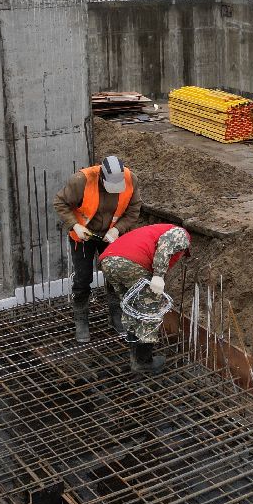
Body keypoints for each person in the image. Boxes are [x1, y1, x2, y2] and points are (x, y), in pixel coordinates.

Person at [53, 155, 141, 343]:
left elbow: (134, 210)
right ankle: (81, 320)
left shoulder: (130, 179)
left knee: (115, 275)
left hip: (111, 235)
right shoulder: (81, 181)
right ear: (102, 177)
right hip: (84, 235)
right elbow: (60, 203)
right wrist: (75, 225)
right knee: (83, 277)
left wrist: (118, 229)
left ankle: (116, 315)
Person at [98, 222, 191, 374]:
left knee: (131, 307)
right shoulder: (181, 234)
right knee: (150, 311)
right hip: (133, 263)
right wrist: (159, 276)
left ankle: (134, 355)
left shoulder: (151, 231)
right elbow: (166, 245)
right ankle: (143, 362)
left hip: (108, 261)